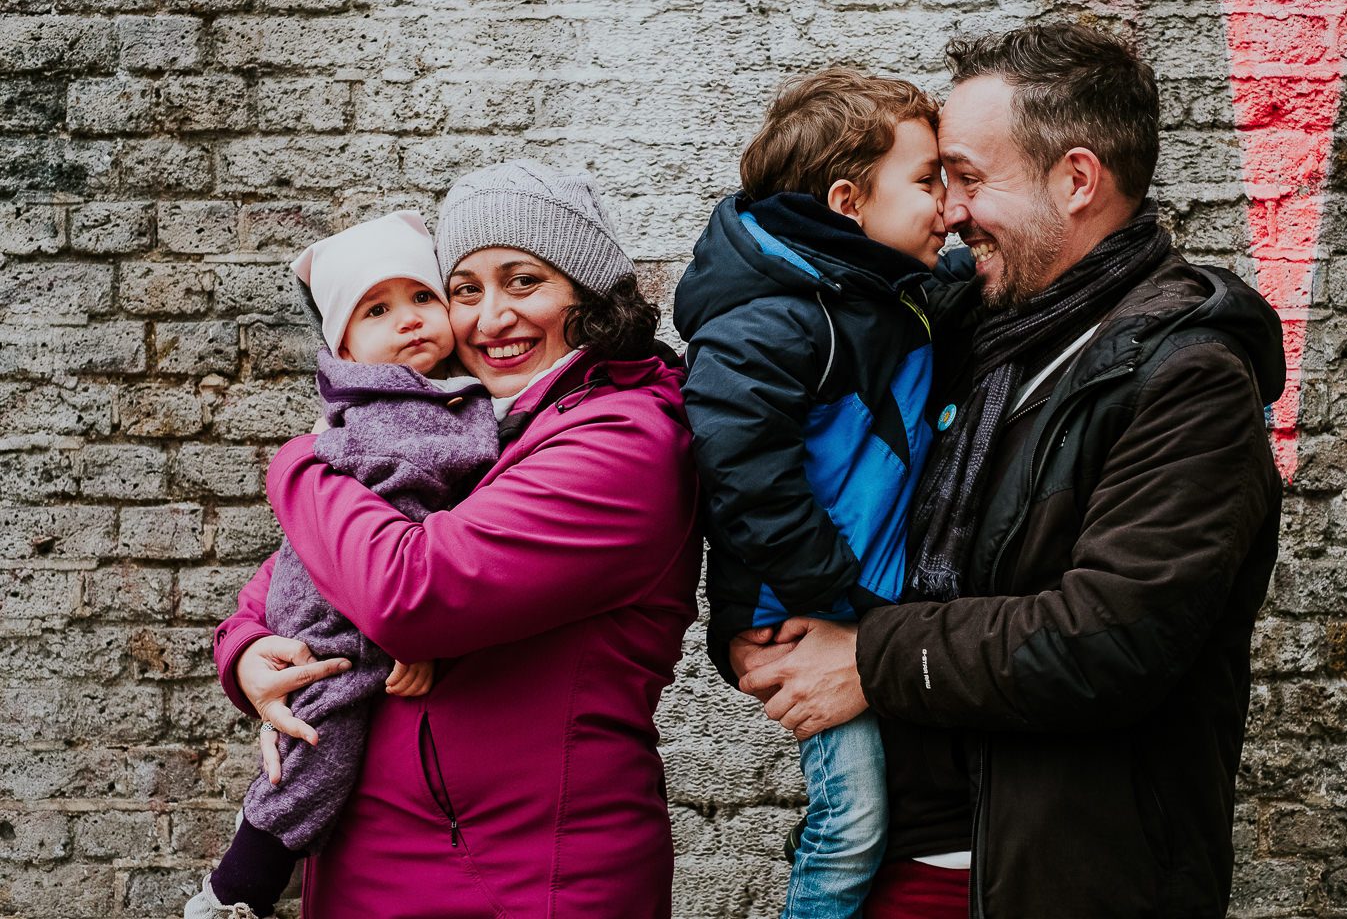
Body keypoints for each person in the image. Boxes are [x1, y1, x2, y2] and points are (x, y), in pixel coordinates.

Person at [735, 23, 1286, 918]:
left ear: (1076, 180)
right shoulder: (953, 327)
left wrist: (871, 660)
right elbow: (783, 399)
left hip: (1057, 883)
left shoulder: (1188, 380)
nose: (948, 210)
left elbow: (1108, 636)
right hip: (890, 866)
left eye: (968, 177)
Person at [211, 161, 700, 919]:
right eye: (465, 291)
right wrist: (246, 652)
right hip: (385, 861)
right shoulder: (482, 427)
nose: (489, 319)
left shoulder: (621, 441)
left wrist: (300, 462)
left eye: (523, 282)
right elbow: (301, 571)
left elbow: (411, 594)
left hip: (523, 876)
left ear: (590, 294)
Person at [674, 68, 958, 919]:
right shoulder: (780, 317)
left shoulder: (874, 291)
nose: (946, 205)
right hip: (802, 612)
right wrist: (831, 591)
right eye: (926, 181)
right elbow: (737, 460)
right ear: (847, 201)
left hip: (851, 605)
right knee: (854, 817)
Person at [188, 210, 499, 918]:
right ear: (346, 346)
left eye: (424, 297)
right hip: (336, 605)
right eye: (378, 309)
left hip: (349, 584)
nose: (412, 320)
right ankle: (235, 891)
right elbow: (407, 533)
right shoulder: (400, 412)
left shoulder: (429, 400)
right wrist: (409, 637)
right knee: (320, 732)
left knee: (314, 731)